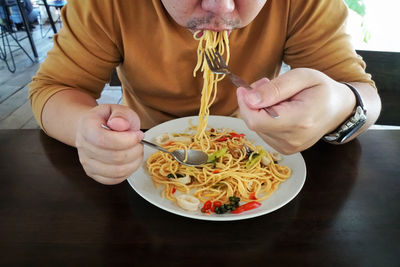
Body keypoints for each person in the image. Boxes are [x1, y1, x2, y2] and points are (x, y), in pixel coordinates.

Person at [29, 0, 381, 185]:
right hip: (144, 157)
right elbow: (55, 88)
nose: (221, 7)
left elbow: (363, 94)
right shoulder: (106, 4)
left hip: (255, 152)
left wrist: (339, 105)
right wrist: (86, 130)